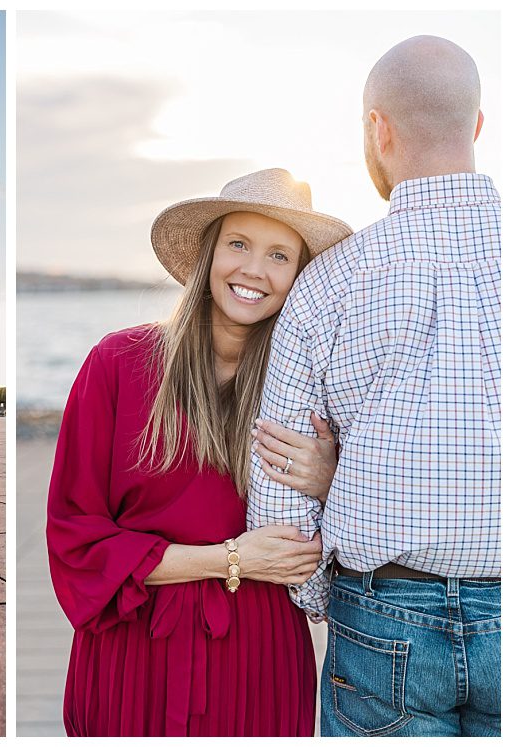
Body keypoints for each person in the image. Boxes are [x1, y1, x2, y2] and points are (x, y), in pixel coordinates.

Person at [248, 36, 500, 737]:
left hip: (382, 617)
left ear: (377, 129)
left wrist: (334, 594)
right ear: (477, 124)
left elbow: (277, 482)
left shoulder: (330, 281)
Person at [47, 168, 353, 736]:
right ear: (210, 253)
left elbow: (366, 532)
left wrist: (333, 477)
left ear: (302, 276)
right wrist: (229, 559)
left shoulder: (314, 388)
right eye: (239, 243)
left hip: (259, 654)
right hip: (135, 643)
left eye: (279, 255)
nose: (254, 270)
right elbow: (75, 537)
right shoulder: (118, 363)